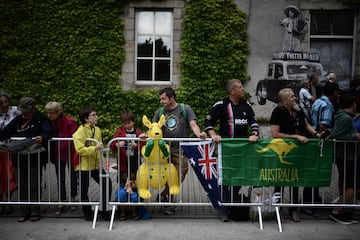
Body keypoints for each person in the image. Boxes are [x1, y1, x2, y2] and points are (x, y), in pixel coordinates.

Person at [204, 79, 260, 221]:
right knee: (224, 179)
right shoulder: (221, 104)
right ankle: (222, 208)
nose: (243, 90)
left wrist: (254, 134)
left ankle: (231, 205)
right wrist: (213, 135)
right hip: (226, 150)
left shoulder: (246, 105)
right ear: (232, 91)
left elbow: (253, 121)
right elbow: (208, 122)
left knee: (238, 177)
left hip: (242, 149)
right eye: (240, 88)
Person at [152, 87, 207, 215]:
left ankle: (163, 195)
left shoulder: (184, 109)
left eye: (164, 99)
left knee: (179, 174)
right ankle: (170, 204)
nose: (161, 101)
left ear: (172, 98)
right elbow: (153, 128)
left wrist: (199, 135)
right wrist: (145, 135)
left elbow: (193, 124)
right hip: (163, 151)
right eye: (160, 99)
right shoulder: (159, 112)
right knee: (168, 177)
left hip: (180, 150)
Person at [270, 88, 320, 222]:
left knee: (295, 180)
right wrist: (295, 136)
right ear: (285, 100)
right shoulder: (278, 111)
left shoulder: (298, 110)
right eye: (292, 97)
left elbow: (306, 124)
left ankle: (293, 209)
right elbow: (275, 133)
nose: (295, 98)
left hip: (297, 151)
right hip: (283, 150)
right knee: (280, 180)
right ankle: (278, 210)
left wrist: (316, 134)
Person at [0, 97, 52, 222]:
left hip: (35, 157)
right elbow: (4, 133)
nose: (24, 113)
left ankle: (35, 210)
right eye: (22, 110)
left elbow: (48, 132)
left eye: (26, 111)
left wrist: (42, 137)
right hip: (19, 157)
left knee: (33, 183)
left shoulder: (41, 119)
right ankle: (24, 210)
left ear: (33, 108)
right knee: (22, 184)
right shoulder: (18, 120)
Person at [72, 106, 112, 221]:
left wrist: (100, 161)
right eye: (93, 115)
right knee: (84, 190)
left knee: (107, 184)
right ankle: (87, 213)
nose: (96, 117)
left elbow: (99, 147)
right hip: (83, 166)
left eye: (96, 114)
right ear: (86, 119)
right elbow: (80, 149)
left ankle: (103, 210)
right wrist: (94, 148)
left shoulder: (97, 129)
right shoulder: (79, 132)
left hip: (95, 165)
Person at [329, 94, 360, 225]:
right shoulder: (345, 118)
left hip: (347, 155)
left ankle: (342, 209)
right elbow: (336, 135)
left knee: (350, 184)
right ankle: (337, 211)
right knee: (355, 186)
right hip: (348, 156)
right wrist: (355, 136)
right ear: (353, 103)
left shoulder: (345, 117)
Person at [45, 101, 78, 215]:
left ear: (58, 112)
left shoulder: (70, 122)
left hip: (71, 153)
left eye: (51, 113)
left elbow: (76, 137)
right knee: (60, 178)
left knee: (73, 177)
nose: (49, 115)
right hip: (58, 154)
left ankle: (73, 199)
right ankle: (61, 201)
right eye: (48, 113)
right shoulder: (49, 123)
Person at [110, 110, 144, 220]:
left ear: (133, 122)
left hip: (135, 164)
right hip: (123, 165)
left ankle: (135, 211)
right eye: (125, 123)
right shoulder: (119, 132)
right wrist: (116, 144)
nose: (127, 125)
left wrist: (137, 144)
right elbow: (112, 145)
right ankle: (122, 211)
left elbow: (144, 144)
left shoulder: (138, 132)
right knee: (122, 187)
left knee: (134, 187)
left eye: (129, 123)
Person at [0, 90, 20, 214]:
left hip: (11, 150)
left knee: (11, 177)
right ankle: (1, 202)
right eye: (1, 103)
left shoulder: (15, 111)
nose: (4, 105)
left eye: (6, 101)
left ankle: (8, 201)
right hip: (0, 149)